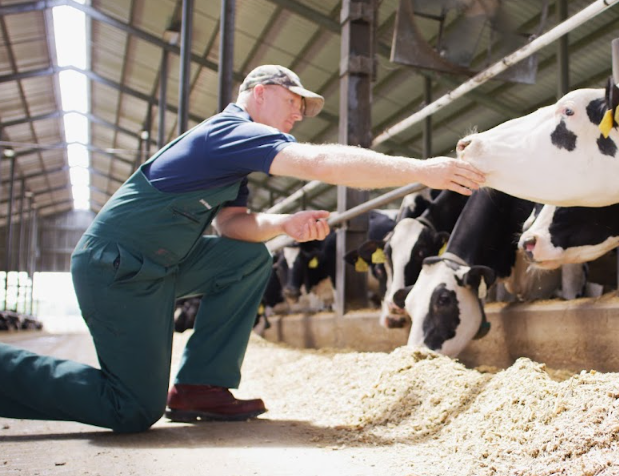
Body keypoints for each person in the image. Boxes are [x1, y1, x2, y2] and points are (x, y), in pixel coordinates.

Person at [0, 65, 484, 433]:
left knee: (248, 258)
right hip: (116, 268)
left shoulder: (232, 162)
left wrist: (285, 224)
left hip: (160, 266)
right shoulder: (225, 132)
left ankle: (199, 387)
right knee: (132, 409)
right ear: (260, 93)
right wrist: (421, 170)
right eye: (294, 102)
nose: (298, 113)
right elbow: (317, 160)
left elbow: (234, 226)